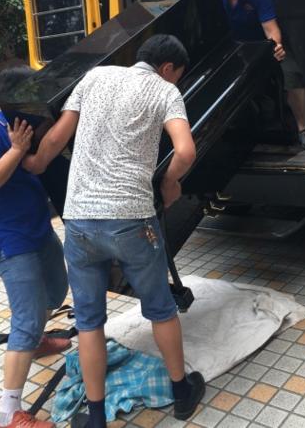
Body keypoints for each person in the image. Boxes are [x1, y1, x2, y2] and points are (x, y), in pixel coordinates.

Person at [23, 34, 205, 426]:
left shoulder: (94, 76)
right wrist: (170, 182)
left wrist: (35, 164)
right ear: (168, 68)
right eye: (177, 75)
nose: (176, 82)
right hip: (131, 220)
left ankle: (95, 416)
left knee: (89, 321)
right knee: (160, 309)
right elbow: (186, 151)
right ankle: (181, 392)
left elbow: (56, 137)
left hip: (80, 221)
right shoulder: (164, 91)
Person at [0, 66, 70, 428]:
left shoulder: (22, 121)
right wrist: (15, 151)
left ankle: (36, 341)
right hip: (10, 242)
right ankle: (8, 413)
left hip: (38, 230)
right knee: (25, 320)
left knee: (56, 290)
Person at [218, 0, 305, 149]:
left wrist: (276, 46)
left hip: (260, 45)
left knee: (292, 73)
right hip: (229, 49)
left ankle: (303, 129)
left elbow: (271, 29)